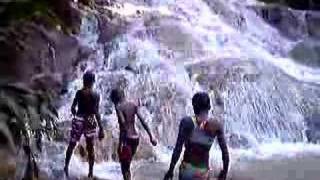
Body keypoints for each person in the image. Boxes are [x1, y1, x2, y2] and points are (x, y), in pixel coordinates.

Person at [164, 92, 229, 180]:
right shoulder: (216, 125)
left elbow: (177, 149)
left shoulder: (187, 122)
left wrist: (171, 170)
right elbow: (225, 153)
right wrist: (224, 172)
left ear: (194, 107)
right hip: (203, 173)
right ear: (209, 107)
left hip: (186, 171)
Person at [110, 88, 157, 180]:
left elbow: (123, 125)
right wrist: (151, 136)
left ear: (115, 99)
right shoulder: (133, 105)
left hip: (126, 140)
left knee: (125, 168)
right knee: (127, 166)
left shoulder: (118, 107)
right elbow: (143, 121)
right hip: (135, 139)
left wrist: (120, 144)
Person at [64, 71, 104, 178]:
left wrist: (74, 113)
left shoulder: (79, 93)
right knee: (90, 146)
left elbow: (73, 107)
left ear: (84, 81)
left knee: (72, 144)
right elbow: (97, 112)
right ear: (93, 82)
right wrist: (101, 128)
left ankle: (66, 166)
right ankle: (90, 172)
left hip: (79, 118)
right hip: (90, 120)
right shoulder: (96, 95)